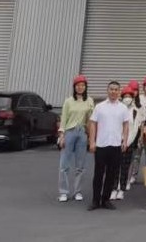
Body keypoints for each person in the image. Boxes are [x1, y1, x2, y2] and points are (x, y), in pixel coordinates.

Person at [87, 81, 129, 211]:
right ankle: (95, 200)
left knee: (111, 174)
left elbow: (126, 125)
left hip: (116, 145)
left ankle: (106, 199)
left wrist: (125, 141)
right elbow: (93, 124)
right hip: (101, 144)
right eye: (111, 89)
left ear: (119, 92)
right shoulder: (99, 107)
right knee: (98, 174)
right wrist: (92, 141)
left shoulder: (123, 108)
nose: (113, 91)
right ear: (107, 90)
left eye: (116, 89)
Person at [57, 74, 95, 203]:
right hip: (69, 132)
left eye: (83, 85)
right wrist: (61, 135)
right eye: (78, 85)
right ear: (74, 87)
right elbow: (63, 119)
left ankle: (77, 191)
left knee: (80, 166)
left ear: (85, 87)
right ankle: (63, 192)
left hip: (82, 132)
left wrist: (91, 137)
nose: (80, 87)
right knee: (64, 165)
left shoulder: (89, 101)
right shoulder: (68, 101)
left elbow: (91, 120)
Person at [110, 84, 139, 201]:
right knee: (114, 166)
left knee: (125, 167)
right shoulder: (117, 109)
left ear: (132, 98)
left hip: (128, 143)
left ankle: (121, 189)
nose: (127, 98)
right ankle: (113, 189)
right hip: (116, 141)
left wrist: (126, 142)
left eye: (129, 96)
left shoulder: (135, 111)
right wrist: (118, 140)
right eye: (125, 96)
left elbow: (135, 129)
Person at [129, 76, 146, 187]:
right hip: (138, 129)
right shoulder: (138, 98)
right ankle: (133, 176)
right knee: (136, 155)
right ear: (143, 87)